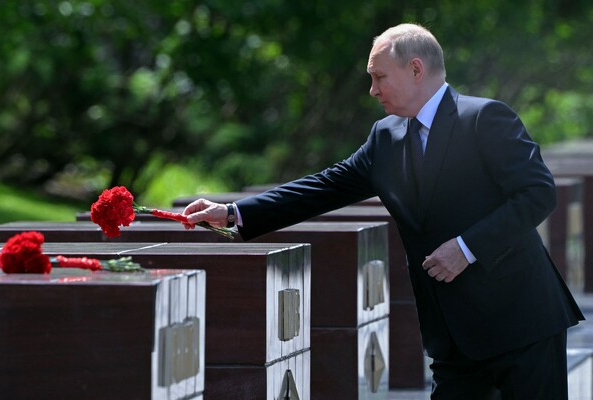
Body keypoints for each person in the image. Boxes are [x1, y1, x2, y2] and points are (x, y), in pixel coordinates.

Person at [183, 23, 584, 399]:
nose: (373, 90)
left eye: (379, 77)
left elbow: (537, 193)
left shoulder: (483, 118)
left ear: (415, 69)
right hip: (452, 338)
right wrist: (233, 213)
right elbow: (326, 186)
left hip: (522, 325)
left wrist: (466, 248)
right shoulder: (385, 137)